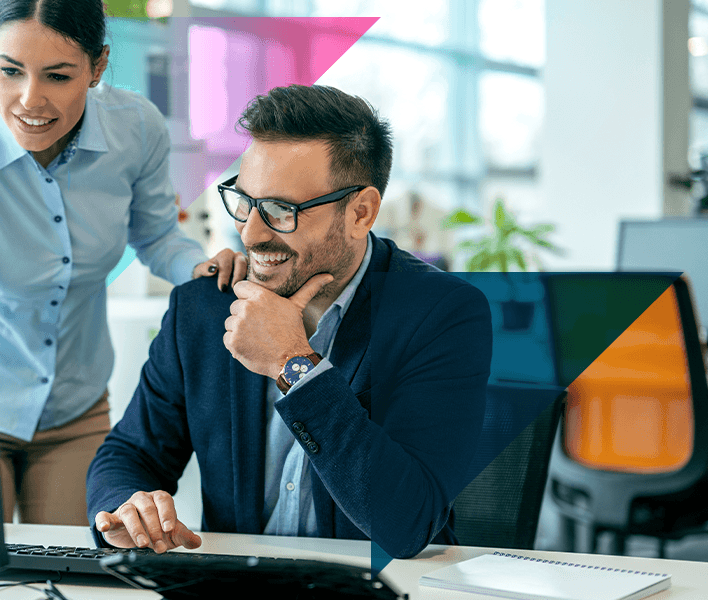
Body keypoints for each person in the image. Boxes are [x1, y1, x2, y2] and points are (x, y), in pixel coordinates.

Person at [86, 84, 493, 559]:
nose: (251, 234)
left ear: (360, 212)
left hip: (375, 586)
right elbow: (128, 454)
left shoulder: (441, 314)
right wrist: (127, 507)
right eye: (245, 201)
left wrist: (291, 362)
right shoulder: (203, 308)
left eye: (283, 210)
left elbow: (407, 523)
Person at [0, 0, 246, 526]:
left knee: (70, 574)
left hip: (76, 408)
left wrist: (200, 270)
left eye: (58, 76)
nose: (29, 99)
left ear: (98, 67)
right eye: (9, 71)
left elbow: (156, 236)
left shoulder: (136, 129)